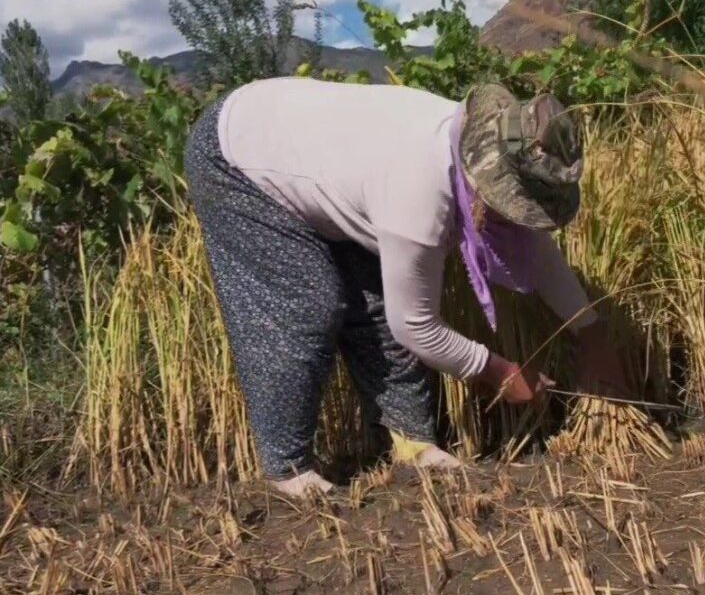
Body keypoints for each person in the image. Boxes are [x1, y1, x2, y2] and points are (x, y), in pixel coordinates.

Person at [183, 78, 628, 497]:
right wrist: (497, 372)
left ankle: (413, 445)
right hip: (238, 157)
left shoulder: (476, 146)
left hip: (319, 160)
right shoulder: (418, 192)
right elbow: (415, 326)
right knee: (306, 305)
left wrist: (590, 330)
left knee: (374, 302)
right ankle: (286, 471)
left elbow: (533, 250)